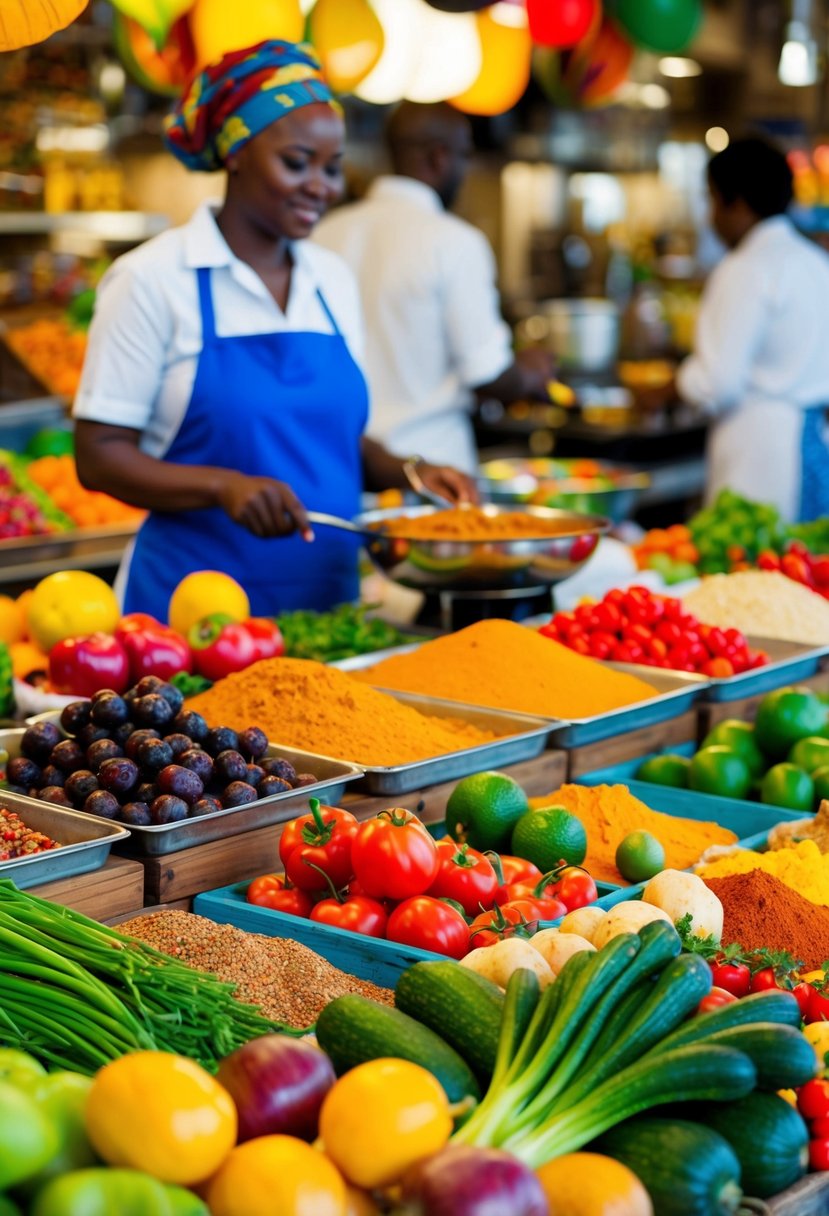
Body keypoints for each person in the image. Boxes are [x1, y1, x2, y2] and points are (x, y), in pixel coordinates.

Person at [73, 43, 475, 619]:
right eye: (297, 162)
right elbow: (99, 454)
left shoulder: (330, 278)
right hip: (189, 618)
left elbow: (330, 438)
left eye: (332, 167)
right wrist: (222, 487)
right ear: (236, 153)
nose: (322, 186)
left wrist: (413, 471)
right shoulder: (153, 280)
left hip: (326, 609)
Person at [313, 101, 555, 475]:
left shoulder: (324, 232)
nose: (465, 169)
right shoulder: (455, 241)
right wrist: (530, 372)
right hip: (433, 473)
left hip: (342, 463)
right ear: (439, 157)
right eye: (465, 155)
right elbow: (487, 373)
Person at [654, 136, 829, 521]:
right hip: (814, 442)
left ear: (738, 203)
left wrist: (668, 388)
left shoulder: (746, 267)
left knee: (753, 570)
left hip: (762, 455)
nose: (710, 217)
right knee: (806, 571)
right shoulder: (815, 262)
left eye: (713, 200)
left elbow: (719, 382)